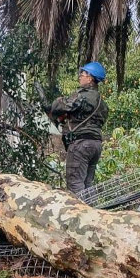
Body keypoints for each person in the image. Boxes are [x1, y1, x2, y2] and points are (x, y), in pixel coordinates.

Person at [46, 62, 109, 194]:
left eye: (83, 73)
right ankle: (91, 207)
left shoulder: (82, 96)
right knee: (88, 186)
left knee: (75, 186)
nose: (80, 76)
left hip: (81, 145)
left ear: (90, 78)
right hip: (96, 145)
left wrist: (53, 103)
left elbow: (60, 106)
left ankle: (79, 208)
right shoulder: (102, 103)